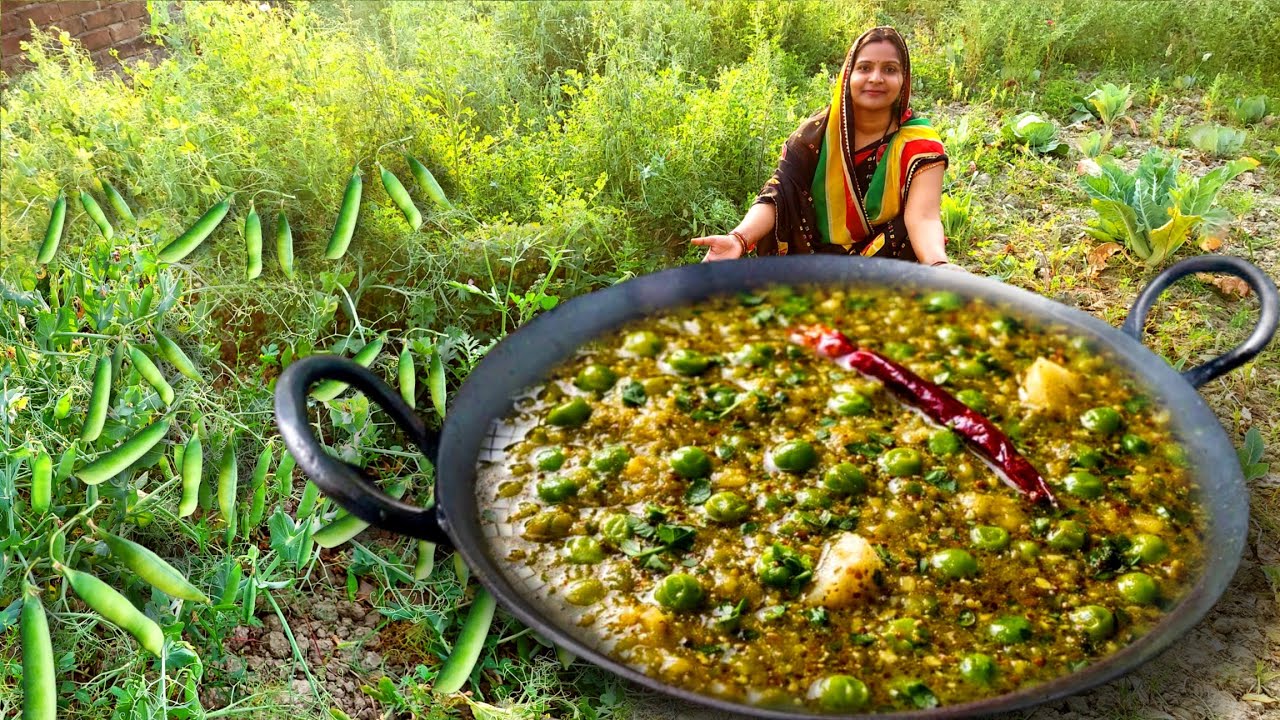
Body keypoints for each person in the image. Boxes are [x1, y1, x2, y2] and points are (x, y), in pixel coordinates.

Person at [692, 26, 961, 269]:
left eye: (890, 69)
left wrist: (939, 264)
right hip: (813, 262)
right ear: (847, 75)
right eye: (865, 68)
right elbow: (778, 195)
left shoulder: (919, 144)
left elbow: (923, 217)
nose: (876, 78)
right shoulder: (814, 136)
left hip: (885, 266)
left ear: (904, 79)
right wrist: (738, 238)